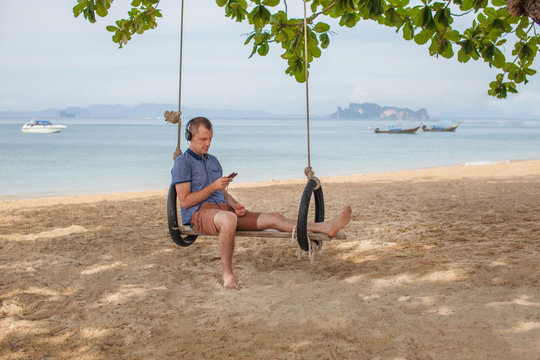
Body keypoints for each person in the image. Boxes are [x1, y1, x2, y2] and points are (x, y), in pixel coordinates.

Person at [171, 117, 352, 289]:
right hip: (199, 214)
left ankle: (325, 227)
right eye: (203, 139)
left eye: (210, 139)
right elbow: (185, 202)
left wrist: (235, 204)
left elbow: (221, 192)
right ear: (190, 137)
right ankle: (228, 275)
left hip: (223, 210)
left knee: (273, 217)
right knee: (228, 219)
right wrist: (212, 188)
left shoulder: (213, 161)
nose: (208, 144)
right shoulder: (183, 163)